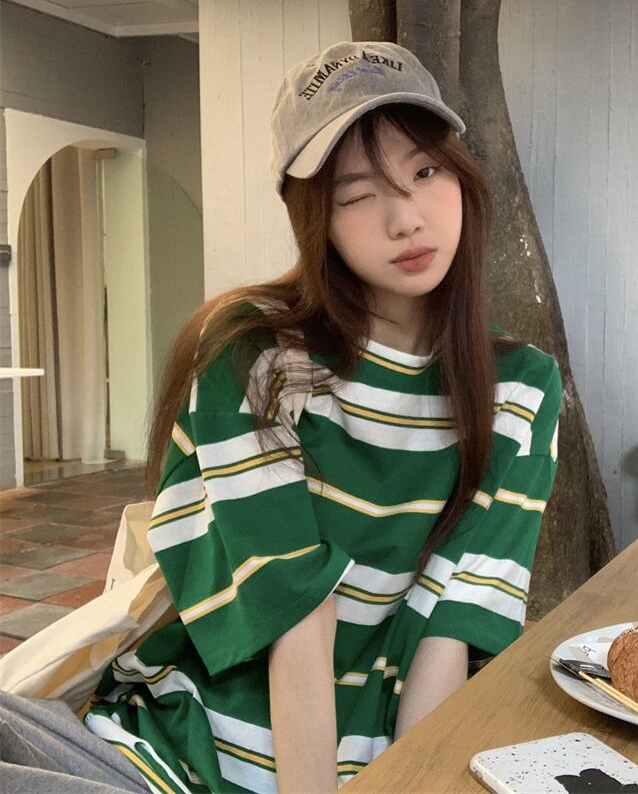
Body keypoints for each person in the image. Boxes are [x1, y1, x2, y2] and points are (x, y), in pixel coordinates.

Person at [0, 40, 561, 794]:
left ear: (461, 173)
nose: (405, 218)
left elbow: (449, 626)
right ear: (314, 217)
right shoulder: (258, 354)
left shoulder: (520, 388)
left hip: (377, 759)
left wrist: (404, 783)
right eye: (357, 194)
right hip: (183, 752)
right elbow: (295, 614)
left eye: (425, 171)